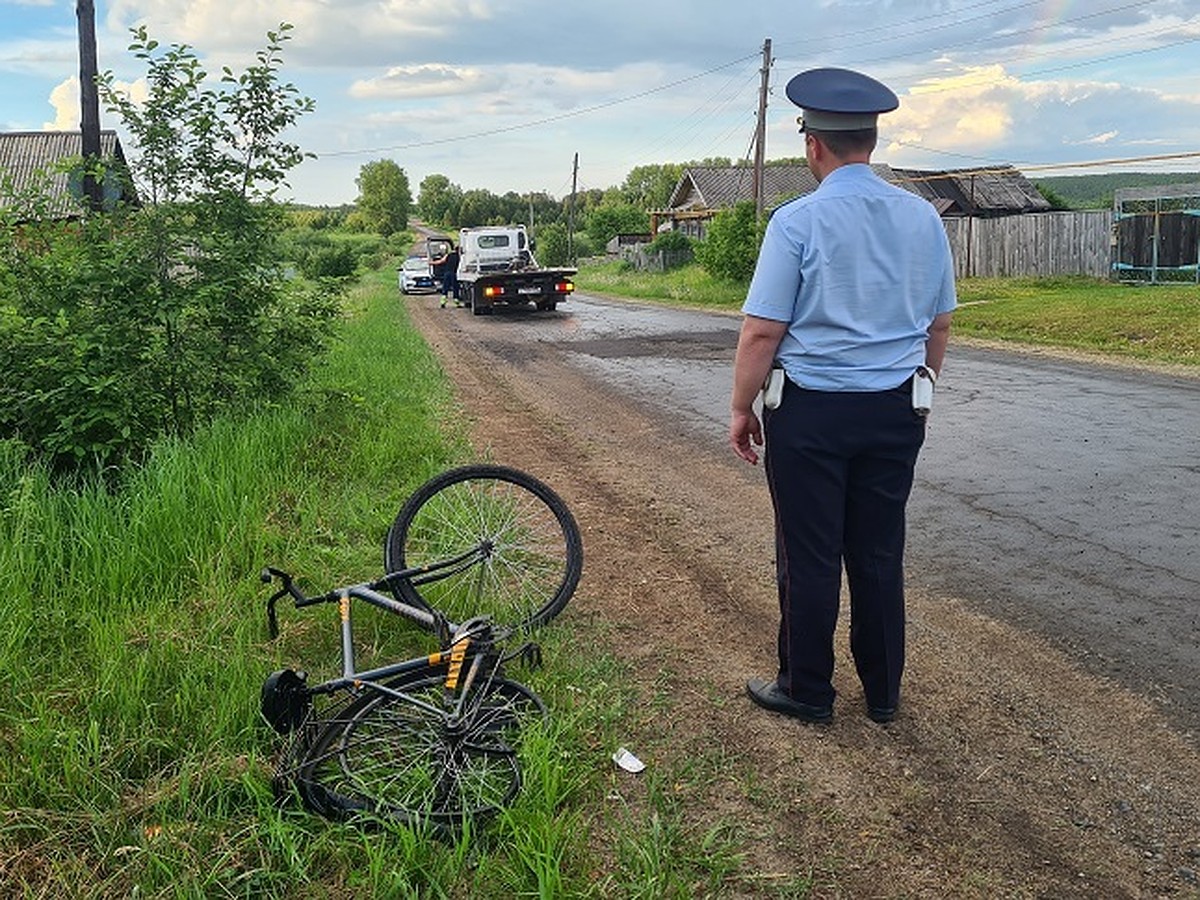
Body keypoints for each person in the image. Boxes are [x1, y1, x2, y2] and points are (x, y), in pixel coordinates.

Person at [729, 67, 956, 726]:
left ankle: (808, 691)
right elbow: (938, 325)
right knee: (880, 553)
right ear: (871, 138)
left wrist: (743, 408)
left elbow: (762, 331)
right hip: (895, 408)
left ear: (814, 146)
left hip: (812, 413)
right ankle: (883, 694)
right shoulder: (922, 218)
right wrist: (925, 387)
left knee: (810, 555)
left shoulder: (798, 221)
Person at [432, 242, 461, 308]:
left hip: (447, 273)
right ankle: (457, 302)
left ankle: (443, 302)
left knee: (445, 288)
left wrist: (431, 263)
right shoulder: (459, 256)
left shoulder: (448, 255)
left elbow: (441, 261)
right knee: (455, 288)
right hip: (454, 274)